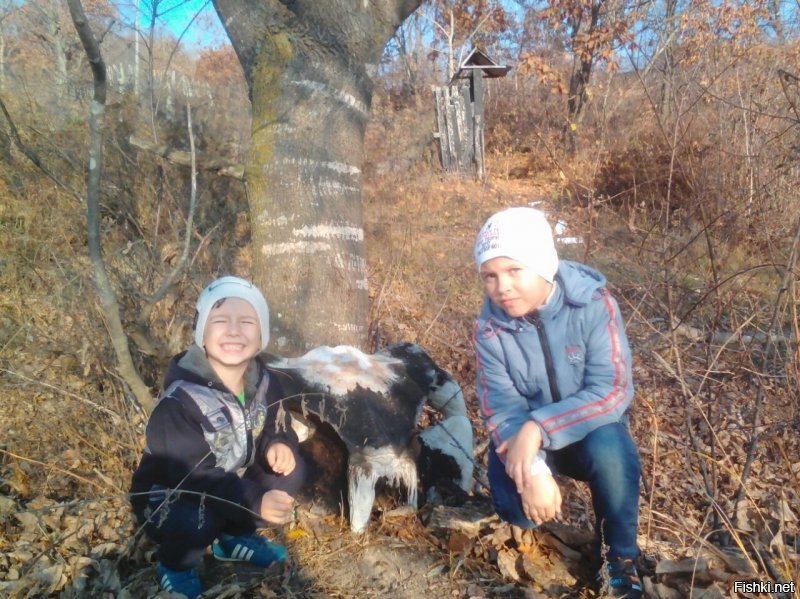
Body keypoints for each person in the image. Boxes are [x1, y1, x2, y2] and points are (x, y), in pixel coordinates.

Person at [472, 208, 642, 599]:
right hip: (525, 438)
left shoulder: (594, 305)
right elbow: (500, 407)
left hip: (587, 433)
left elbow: (611, 390)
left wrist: (538, 428)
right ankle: (538, 529)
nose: (502, 287)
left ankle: (619, 560)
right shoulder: (489, 328)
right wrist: (532, 469)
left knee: (612, 450)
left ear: (543, 265)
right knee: (515, 510)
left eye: (515, 270)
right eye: (490, 276)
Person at [130, 276, 305, 598]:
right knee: (198, 516)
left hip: (225, 479)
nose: (234, 331)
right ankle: (175, 565)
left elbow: (276, 424)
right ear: (201, 334)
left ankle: (233, 539)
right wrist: (255, 500)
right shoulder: (179, 401)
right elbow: (195, 477)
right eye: (220, 320)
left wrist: (278, 443)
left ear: (261, 334)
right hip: (171, 494)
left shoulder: (266, 381)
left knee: (291, 468)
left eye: (247, 322)